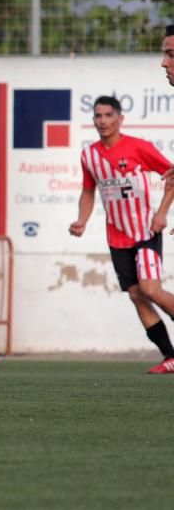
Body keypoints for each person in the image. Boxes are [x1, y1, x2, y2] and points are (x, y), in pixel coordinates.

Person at [69, 95, 174, 373]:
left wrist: (162, 213)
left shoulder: (138, 148)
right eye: (97, 116)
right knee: (137, 295)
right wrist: (82, 219)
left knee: (151, 289)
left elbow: (171, 174)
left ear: (120, 119)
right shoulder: (89, 155)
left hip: (144, 232)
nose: (102, 121)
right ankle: (170, 356)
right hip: (117, 238)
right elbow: (88, 190)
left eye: (107, 115)